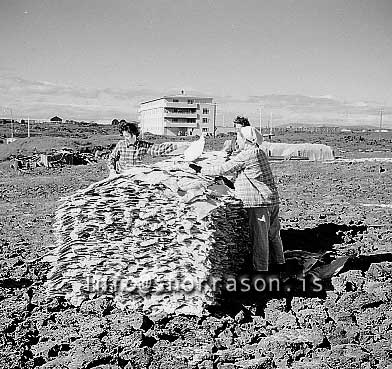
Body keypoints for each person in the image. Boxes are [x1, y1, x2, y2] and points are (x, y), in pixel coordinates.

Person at [190, 123, 284, 272]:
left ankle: (261, 271)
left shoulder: (248, 154)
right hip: (271, 200)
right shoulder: (259, 152)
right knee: (273, 235)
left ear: (246, 140)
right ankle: (280, 263)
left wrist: (201, 170)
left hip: (258, 204)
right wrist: (227, 182)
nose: (237, 141)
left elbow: (224, 168)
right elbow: (247, 175)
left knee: (260, 240)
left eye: (238, 138)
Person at [108, 122, 177, 175]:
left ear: (134, 135)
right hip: (122, 176)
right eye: (124, 136)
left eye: (128, 136)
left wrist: (176, 146)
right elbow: (112, 158)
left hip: (136, 176)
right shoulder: (121, 144)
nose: (126, 139)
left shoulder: (143, 145)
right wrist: (112, 170)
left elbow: (158, 150)